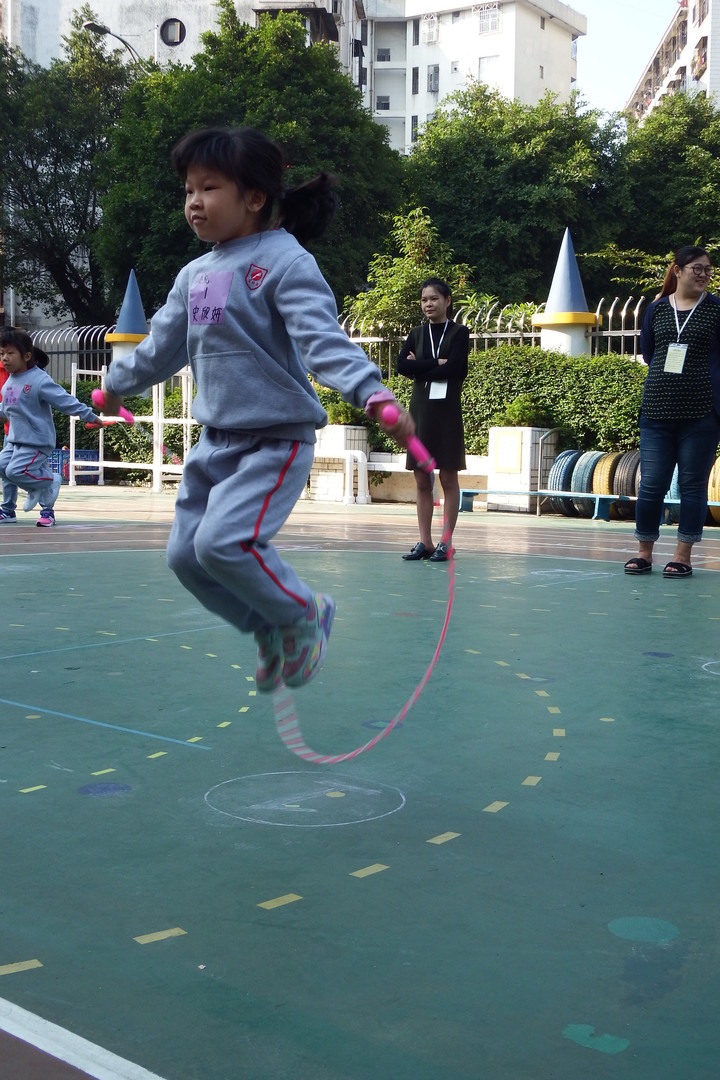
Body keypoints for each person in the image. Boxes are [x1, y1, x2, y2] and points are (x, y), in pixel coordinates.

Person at [99, 126, 414, 691]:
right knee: (185, 557)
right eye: (188, 190)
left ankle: (304, 613)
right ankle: (270, 625)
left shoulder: (286, 262)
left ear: (254, 197)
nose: (194, 202)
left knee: (222, 543)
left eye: (209, 188)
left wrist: (372, 392)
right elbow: (159, 349)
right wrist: (115, 386)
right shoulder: (194, 276)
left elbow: (323, 341)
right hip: (214, 444)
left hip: (274, 441)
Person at [624, 245, 720, 578]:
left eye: (708, 270)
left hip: (702, 414)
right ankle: (644, 552)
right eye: (697, 269)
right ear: (677, 271)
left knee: (692, 486)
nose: (704, 275)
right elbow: (650, 353)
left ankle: (683, 555)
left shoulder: (716, 310)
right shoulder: (657, 309)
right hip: (656, 411)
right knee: (651, 484)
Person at [397, 277, 469, 562]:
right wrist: (434, 364)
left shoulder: (459, 333)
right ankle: (425, 542)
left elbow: (455, 370)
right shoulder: (416, 333)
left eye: (434, 298)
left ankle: (446, 542)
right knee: (421, 478)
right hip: (421, 412)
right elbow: (401, 366)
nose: (428, 304)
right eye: (424, 299)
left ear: (447, 301)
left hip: (446, 413)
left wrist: (419, 366)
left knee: (448, 477)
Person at [0, 328, 101, 527]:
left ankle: (51, 482)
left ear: (26, 356)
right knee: (4, 467)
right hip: (14, 439)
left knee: (15, 471)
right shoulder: (10, 381)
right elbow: (6, 410)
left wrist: (88, 415)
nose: (5, 358)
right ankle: (36, 490)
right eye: (2, 353)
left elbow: (64, 400)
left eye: (10, 353)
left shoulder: (39, 380)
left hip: (36, 441)